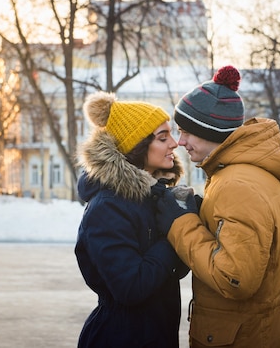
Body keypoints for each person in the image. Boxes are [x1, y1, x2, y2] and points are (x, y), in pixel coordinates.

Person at [154, 65, 280, 347]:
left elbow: (235, 277)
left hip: (241, 337)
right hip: (254, 331)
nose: (180, 142)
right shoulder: (244, 173)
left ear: (210, 132)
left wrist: (181, 222)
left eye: (186, 132)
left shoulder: (237, 185)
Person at [74, 91, 195, 348]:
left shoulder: (151, 198)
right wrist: (172, 231)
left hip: (155, 335)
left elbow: (172, 271)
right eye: (163, 138)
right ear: (137, 147)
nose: (174, 144)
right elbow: (131, 287)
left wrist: (187, 222)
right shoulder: (107, 208)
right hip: (119, 338)